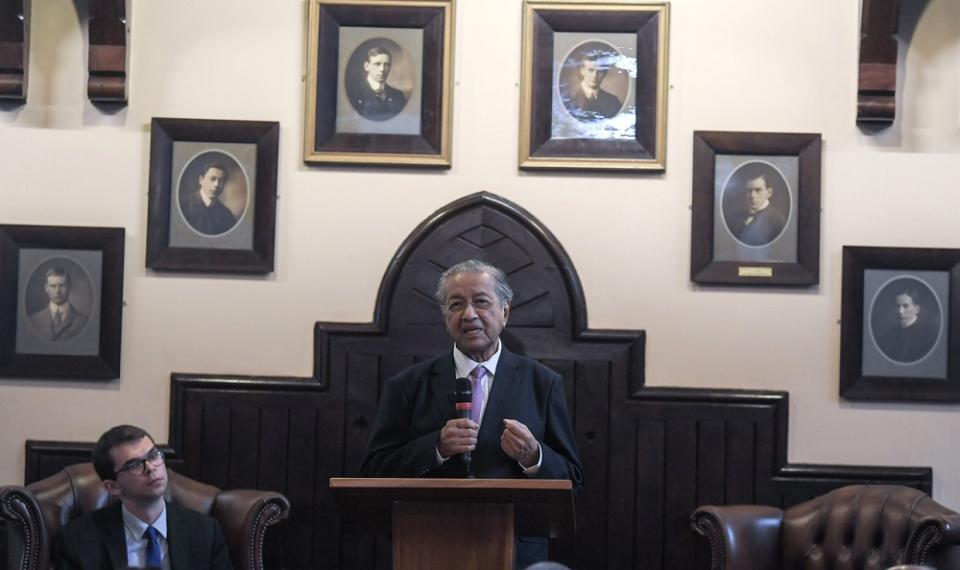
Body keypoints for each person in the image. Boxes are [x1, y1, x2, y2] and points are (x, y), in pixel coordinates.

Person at [360, 260, 582, 568]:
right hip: (426, 546)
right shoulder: (407, 386)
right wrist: (435, 448)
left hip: (516, 550)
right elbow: (374, 472)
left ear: (505, 311)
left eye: (481, 302)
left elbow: (573, 481)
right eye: (456, 304)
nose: (469, 314)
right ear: (444, 316)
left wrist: (534, 456)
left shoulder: (543, 383)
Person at [53, 425, 233, 570]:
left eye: (154, 456)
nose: (150, 468)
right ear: (112, 486)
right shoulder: (77, 540)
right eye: (133, 465)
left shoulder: (205, 532)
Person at [876, 287, 940, 363]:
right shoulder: (889, 336)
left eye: (905, 306)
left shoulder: (929, 334)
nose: (900, 311)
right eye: (897, 306)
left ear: (917, 309)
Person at [27, 266, 89, 341]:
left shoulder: (84, 322)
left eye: (62, 286)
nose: (57, 291)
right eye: (53, 286)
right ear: (46, 288)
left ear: (69, 287)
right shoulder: (32, 320)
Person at [562, 49, 623, 121]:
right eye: (590, 70)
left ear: (605, 73)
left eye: (600, 71)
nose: (594, 75)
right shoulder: (567, 98)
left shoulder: (613, 102)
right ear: (582, 71)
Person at [728, 172, 787, 246]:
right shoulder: (736, 217)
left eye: (758, 190)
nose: (752, 195)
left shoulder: (777, 220)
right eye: (749, 190)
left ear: (769, 193)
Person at [180, 162, 238, 236]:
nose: (216, 184)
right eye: (212, 179)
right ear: (201, 180)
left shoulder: (227, 215)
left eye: (221, 180)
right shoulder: (183, 206)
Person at [351, 45, 408, 121]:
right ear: (366, 66)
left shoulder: (398, 96)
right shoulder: (354, 94)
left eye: (386, 64)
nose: (382, 69)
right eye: (377, 64)